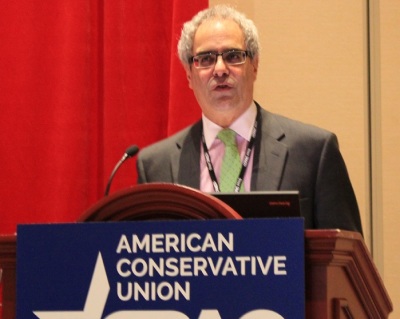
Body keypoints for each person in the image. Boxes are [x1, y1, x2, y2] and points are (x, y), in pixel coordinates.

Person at [136, 5, 363, 234]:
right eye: (206, 59)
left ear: (254, 65)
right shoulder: (156, 166)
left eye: (233, 56)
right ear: (188, 74)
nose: (220, 69)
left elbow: (346, 259)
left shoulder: (314, 152)